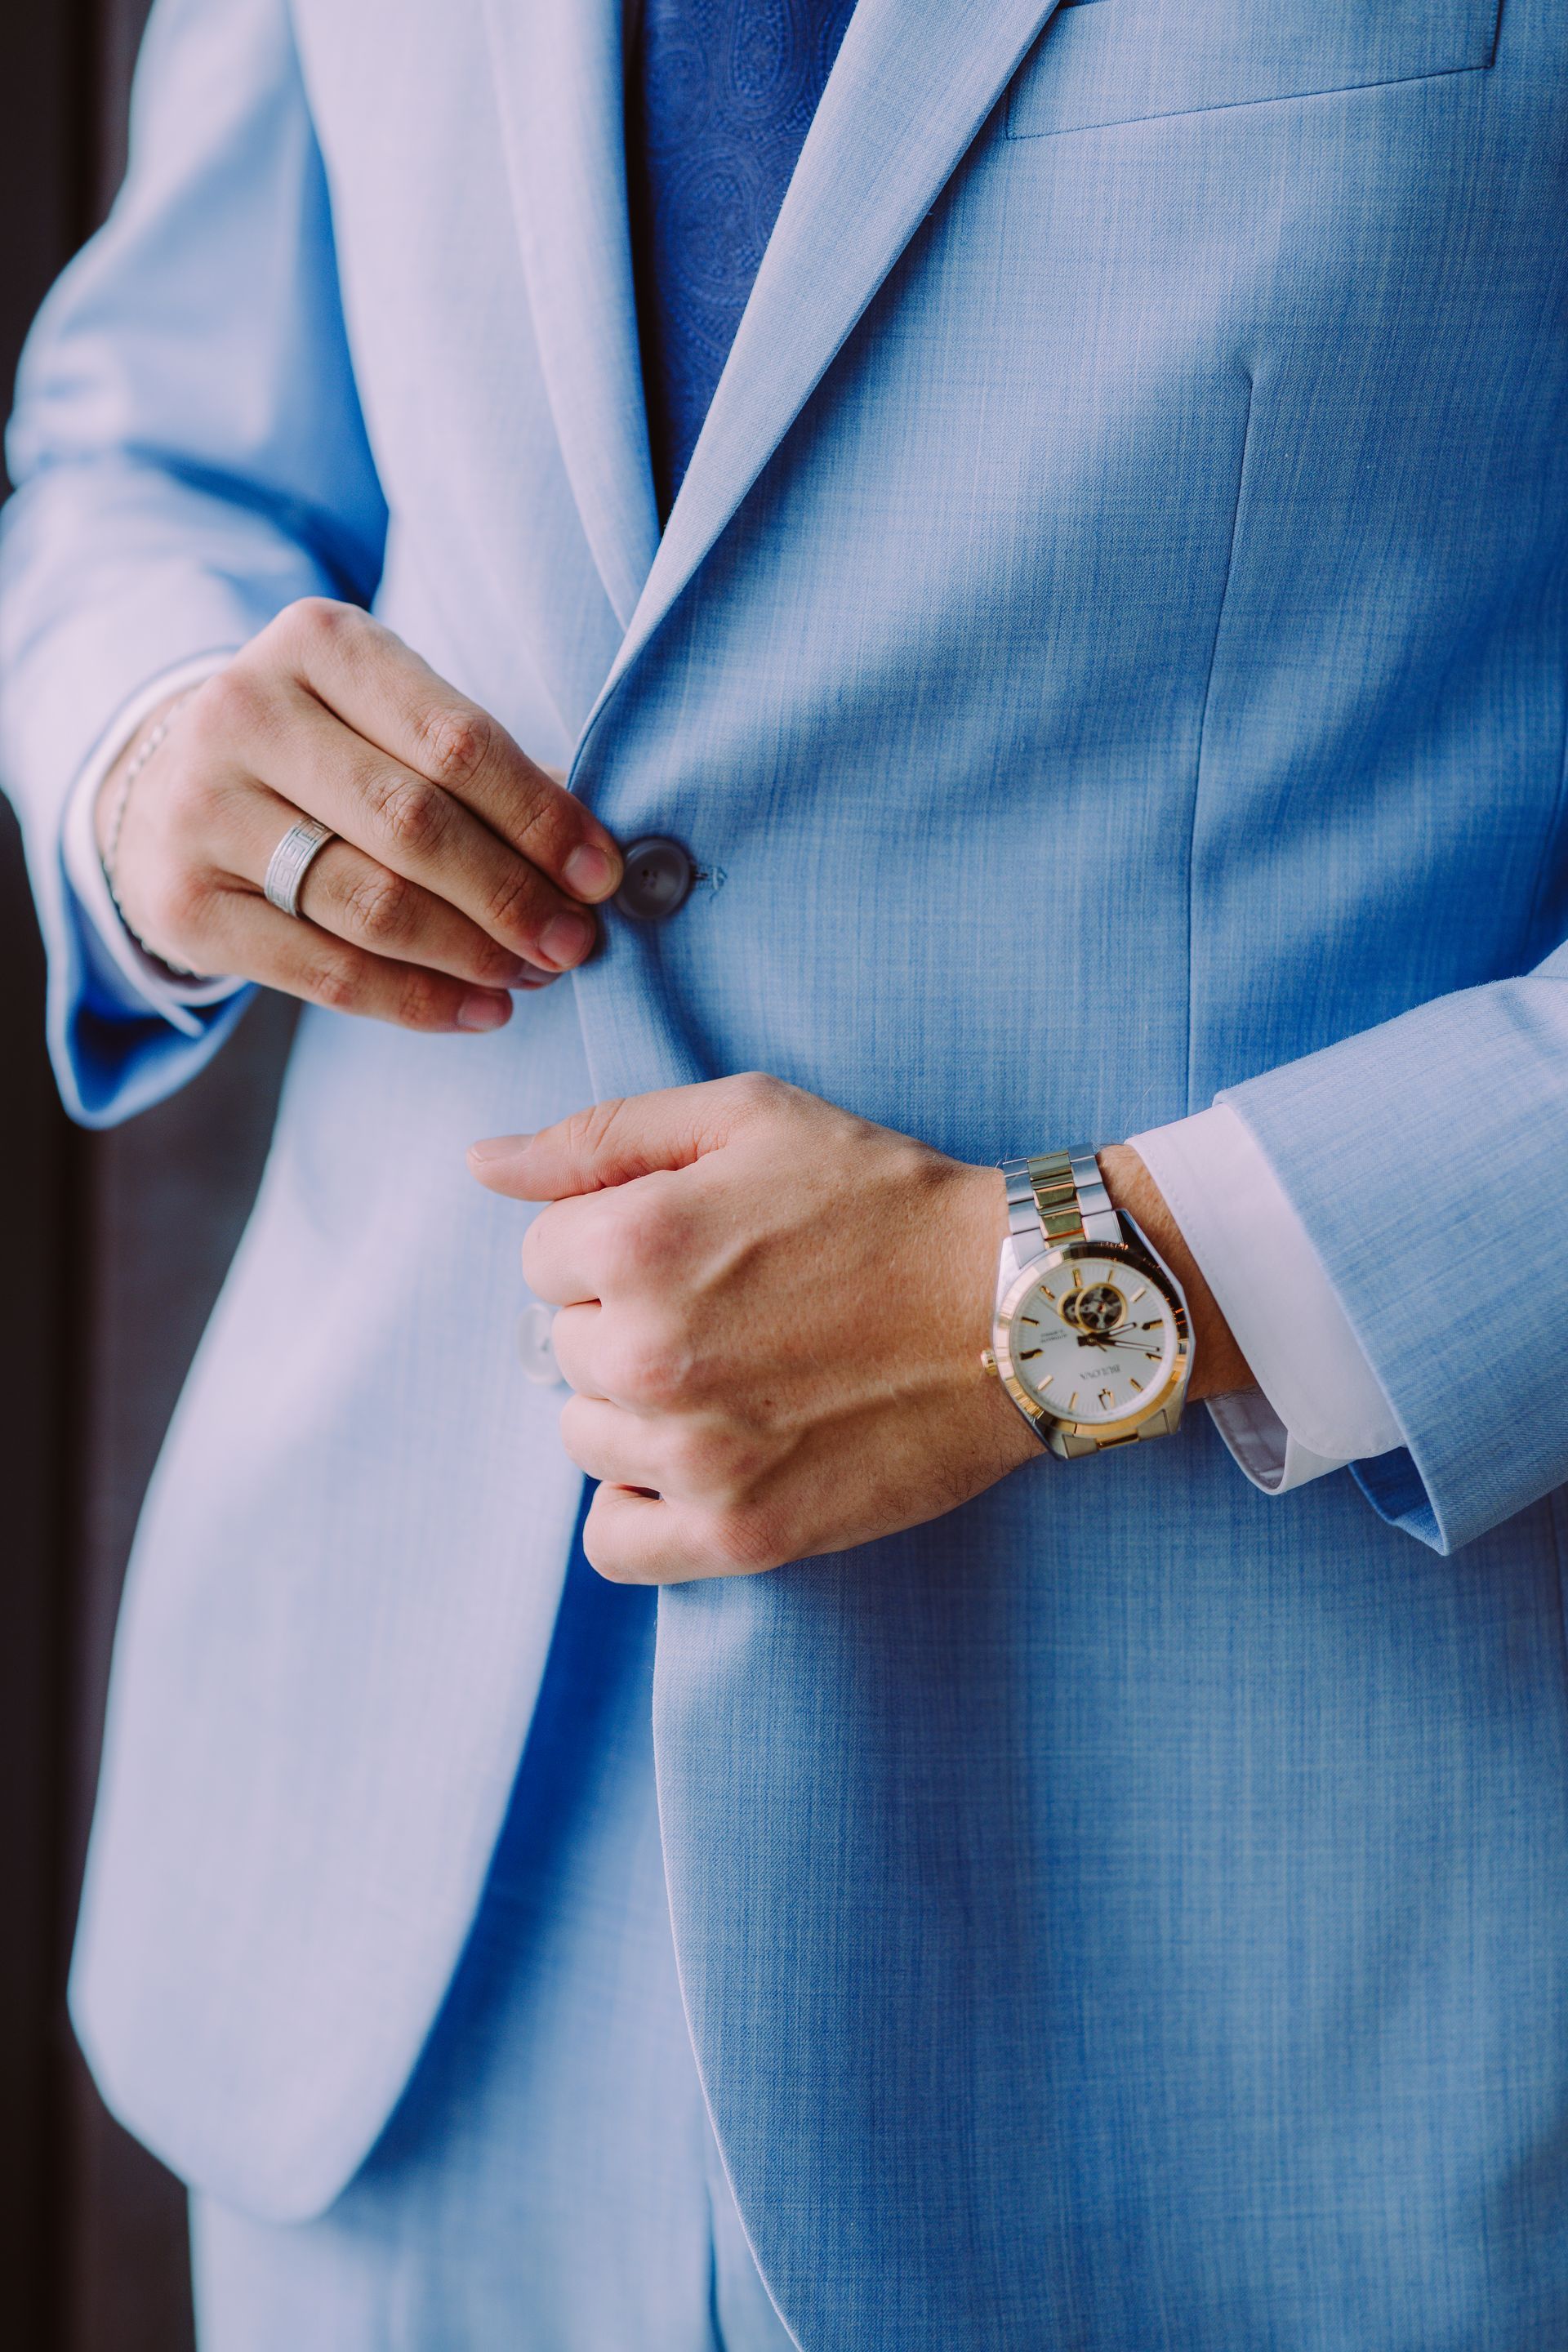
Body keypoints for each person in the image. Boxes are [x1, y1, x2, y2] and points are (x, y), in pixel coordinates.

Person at [3, 0, 1566, 2343]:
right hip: (405, 1965)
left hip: (1300, 2013)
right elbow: (149, 444)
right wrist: (145, 752)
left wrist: (1092, 1288)